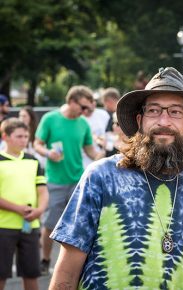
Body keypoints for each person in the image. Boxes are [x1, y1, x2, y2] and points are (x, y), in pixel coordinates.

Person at [48, 67, 183, 289]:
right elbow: (67, 272)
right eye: (153, 111)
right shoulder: (101, 177)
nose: (164, 121)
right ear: (139, 120)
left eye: (175, 112)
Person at [33, 85, 105, 275]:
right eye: (83, 107)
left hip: (78, 180)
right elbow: (37, 144)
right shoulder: (50, 118)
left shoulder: (83, 123)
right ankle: (45, 259)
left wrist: (101, 155)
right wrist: (48, 153)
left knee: (81, 224)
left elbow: (89, 149)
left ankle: (75, 266)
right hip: (55, 181)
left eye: (89, 109)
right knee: (49, 224)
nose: (86, 112)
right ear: (71, 101)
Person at [0, 118, 48, 290]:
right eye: (19, 136)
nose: (24, 140)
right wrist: (18, 209)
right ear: (5, 137)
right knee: (1, 275)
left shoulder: (33, 161)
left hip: (30, 225)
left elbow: (42, 191)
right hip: (3, 227)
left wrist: (40, 210)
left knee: (31, 274)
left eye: (26, 136)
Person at [82, 98, 110, 168]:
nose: (93, 103)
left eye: (94, 101)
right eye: (90, 101)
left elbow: (109, 132)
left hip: (101, 157)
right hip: (84, 159)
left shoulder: (103, 114)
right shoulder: (79, 118)